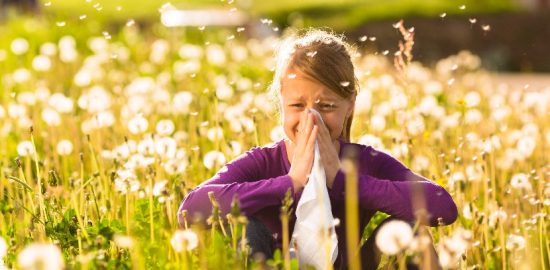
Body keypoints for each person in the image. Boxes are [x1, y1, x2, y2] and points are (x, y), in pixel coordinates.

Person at [178, 29, 458, 269]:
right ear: (281, 103)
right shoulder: (262, 162)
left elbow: (442, 207)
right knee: (246, 226)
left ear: (350, 105)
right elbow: (189, 211)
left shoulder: (364, 161)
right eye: (298, 106)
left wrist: (343, 180)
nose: (312, 119)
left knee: (414, 232)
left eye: (327, 106)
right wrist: (290, 183)